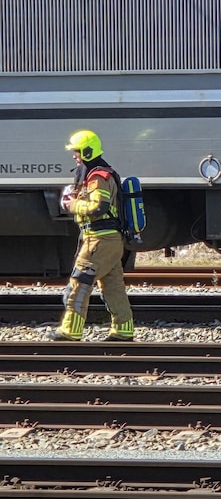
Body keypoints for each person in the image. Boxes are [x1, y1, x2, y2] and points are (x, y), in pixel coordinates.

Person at [52, 130, 135, 342]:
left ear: (87, 152)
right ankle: (124, 329)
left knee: (79, 283)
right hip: (109, 241)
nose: (74, 156)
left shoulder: (98, 177)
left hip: (99, 240)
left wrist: (72, 204)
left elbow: (99, 206)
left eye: (77, 151)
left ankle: (72, 330)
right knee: (113, 286)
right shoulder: (98, 174)